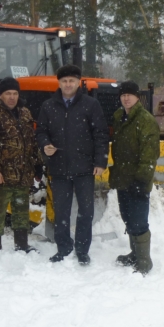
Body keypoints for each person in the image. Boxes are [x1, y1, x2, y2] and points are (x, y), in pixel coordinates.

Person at [35, 65, 108, 265]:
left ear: (78, 82)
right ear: (59, 83)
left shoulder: (91, 105)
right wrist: (45, 145)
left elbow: (100, 134)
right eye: (64, 81)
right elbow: (40, 132)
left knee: (86, 211)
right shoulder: (48, 106)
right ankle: (64, 247)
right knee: (62, 211)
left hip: (85, 168)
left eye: (72, 81)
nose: (68, 84)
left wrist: (100, 161)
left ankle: (82, 249)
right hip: (58, 167)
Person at [0, 77, 42, 254]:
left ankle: (22, 245)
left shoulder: (25, 113)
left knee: (21, 210)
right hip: (2, 175)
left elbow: (32, 141)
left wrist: (37, 164)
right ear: (1, 95)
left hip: (23, 173)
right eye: (8, 93)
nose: (12, 97)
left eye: (15, 93)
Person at [109, 81, 160, 275]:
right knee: (128, 217)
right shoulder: (120, 117)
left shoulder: (145, 120)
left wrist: (141, 180)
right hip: (123, 178)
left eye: (130, 95)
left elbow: (150, 154)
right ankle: (135, 253)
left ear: (138, 97)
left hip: (138, 180)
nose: (126, 98)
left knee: (139, 221)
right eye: (123, 95)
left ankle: (144, 262)